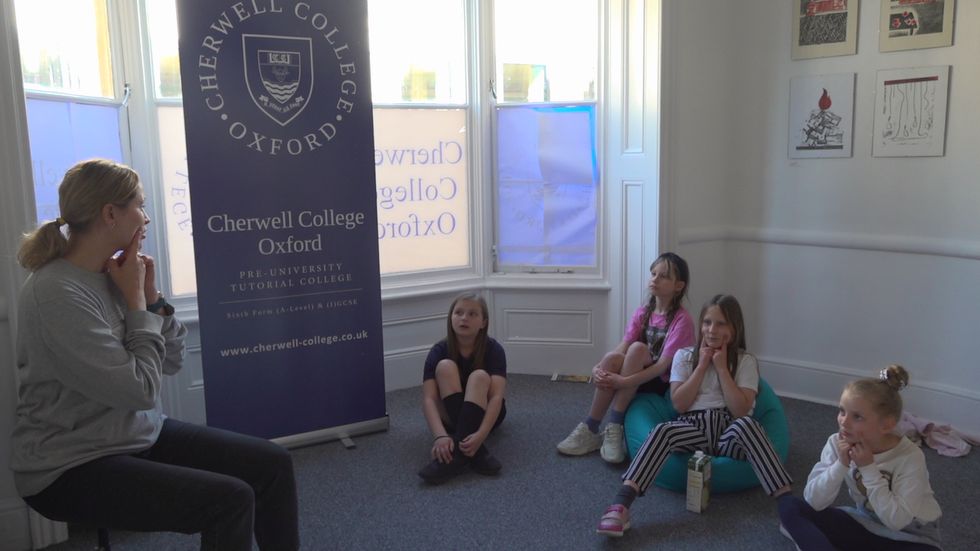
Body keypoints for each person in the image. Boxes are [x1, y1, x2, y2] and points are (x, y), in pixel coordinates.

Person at [9, 159, 299, 551]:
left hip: (134, 433)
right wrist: (133, 302)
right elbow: (141, 391)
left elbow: (173, 360)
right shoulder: (56, 293)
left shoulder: (115, 274)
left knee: (273, 464)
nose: (146, 218)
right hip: (69, 463)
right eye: (140, 206)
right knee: (229, 500)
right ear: (110, 214)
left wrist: (152, 298)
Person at [596, 294, 792, 537]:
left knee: (748, 425)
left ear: (735, 328)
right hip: (692, 426)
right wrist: (701, 366)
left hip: (729, 429)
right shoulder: (684, 356)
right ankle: (621, 506)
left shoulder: (745, 361)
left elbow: (740, 410)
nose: (712, 330)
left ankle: (789, 509)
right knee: (662, 430)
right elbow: (679, 404)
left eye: (721, 324)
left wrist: (721, 367)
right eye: (707, 322)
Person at [778, 365, 942, 550]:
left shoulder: (910, 456)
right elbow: (814, 501)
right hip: (866, 524)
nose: (843, 422)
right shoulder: (836, 442)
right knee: (791, 507)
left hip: (911, 537)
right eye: (842, 411)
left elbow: (897, 521)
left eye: (857, 417)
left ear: (886, 425)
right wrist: (840, 465)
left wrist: (868, 468)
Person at [557, 252, 694, 463]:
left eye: (663, 276)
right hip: (636, 371)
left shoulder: (682, 320)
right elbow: (623, 346)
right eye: (653, 273)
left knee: (638, 349)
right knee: (613, 358)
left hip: (660, 382)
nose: (655, 279)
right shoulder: (643, 312)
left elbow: (662, 366)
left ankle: (615, 425)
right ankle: (591, 428)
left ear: (679, 286)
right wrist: (599, 367)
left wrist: (623, 381)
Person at [418, 293, 507, 484]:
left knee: (479, 376)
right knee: (444, 366)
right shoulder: (439, 350)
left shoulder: (494, 350)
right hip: (449, 418)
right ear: (451, 318)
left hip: (487, 417)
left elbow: (496, 398)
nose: (464, 318)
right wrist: (440, 436)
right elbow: (429, 399)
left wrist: (481, 435)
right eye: (458, 312)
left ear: (483, 322)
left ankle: (456, 457)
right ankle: (477, 454)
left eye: (472, 314)